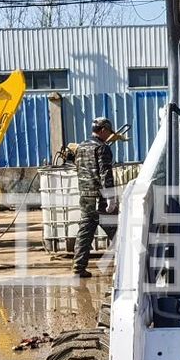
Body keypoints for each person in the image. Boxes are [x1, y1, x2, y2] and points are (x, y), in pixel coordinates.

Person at [72, 116, 118, 278]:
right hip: (100, 198)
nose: (110, 135)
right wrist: (111, 197)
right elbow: (106, 173)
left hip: (85, 196)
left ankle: (78, 268)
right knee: (118, 231)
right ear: (103, 130)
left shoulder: (81, 147)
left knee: (85, 233)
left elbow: (78, 170)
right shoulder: (102, 148)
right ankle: (126, 266)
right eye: (109, 132)